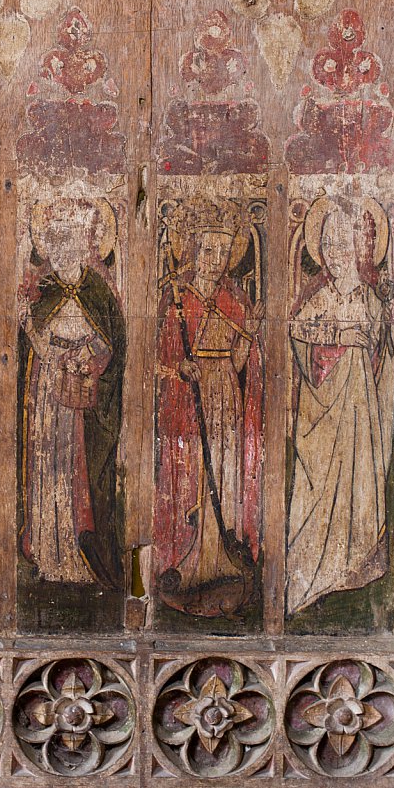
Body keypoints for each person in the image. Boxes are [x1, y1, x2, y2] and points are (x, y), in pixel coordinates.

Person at [286, 196, 394, 615]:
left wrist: (371, 332)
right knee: (316, 490)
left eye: (342, 244)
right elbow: (297, 335)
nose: (334, 254)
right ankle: (315, 574)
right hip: (323, 415)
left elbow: (384, 354)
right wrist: (337, 338)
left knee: (359, 481)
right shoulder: (318, 297)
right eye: (327, 245)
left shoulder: (370, 300)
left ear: (359, 247)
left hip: (359, 412)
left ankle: (353, 563)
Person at [154, 200, 264, 617]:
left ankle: (218, 558)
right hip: (189, 395)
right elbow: (158, 359)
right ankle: (187, 557)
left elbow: (237, 362)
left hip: (223, 394)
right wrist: (179, 368)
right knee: (192, 474)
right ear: (195, 250)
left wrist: (248, 336)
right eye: (210, 250)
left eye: (224, 251)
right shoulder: (177, 296)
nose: (216, 259)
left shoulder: (233, 299)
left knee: (221, 470)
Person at [18, 200, 125, 590]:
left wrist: (88, 358)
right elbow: (35, 343)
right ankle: (49, 552)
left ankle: (80, 554)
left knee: (76, 466)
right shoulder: (43, 289)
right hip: (48, 387)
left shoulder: (97, 289)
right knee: (48, 464)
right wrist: (32, 330)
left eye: (72, 239)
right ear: (47, 245)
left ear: (86, 244)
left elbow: (113, 341)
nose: (64, 248)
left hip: (82, 390)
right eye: (56, 240)